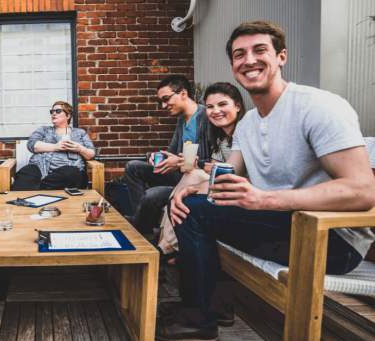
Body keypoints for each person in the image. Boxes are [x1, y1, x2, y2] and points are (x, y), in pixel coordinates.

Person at [159, 21, 375, 341]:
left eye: (260, 50)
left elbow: (362, 190)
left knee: (197, 212)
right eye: (239, 54)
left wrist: (265, 199)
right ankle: (209, 305)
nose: (248, 60)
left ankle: (199, 318)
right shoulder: (248, 123)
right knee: (189, 203)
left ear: (281, 57)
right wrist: (192, 188)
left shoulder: (317, 106)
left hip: (329, 239)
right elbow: (226, 177)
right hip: (280, 224)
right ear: (232, 66)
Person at [158, 82, 246, 257]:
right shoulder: (220, 138)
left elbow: (225, 170)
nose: (215, 111)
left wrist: (197, 164)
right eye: (210, 107)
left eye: (222, 105)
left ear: (237, 106)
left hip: (243, 190)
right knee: (186, 181)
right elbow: (212, 165)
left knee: (188, 184)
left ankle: (165, 245)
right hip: (218, 184)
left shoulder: (245, 130)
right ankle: (166, 245)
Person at [124, 75, 210, 237]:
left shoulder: (206, 117)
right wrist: (156, 155)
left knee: (152, 195)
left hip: (195, 179)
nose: (163, 105)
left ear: (183, 93)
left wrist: (179, 162)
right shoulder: (182, 120)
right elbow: (171, 151)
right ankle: (141, 222)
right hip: (179, 173)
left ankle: (140, 228)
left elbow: (209, 160)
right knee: (133, 167)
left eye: (166, 99)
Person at [11, 101, 96, 190]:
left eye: (58, 111)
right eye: (52, 111)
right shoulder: (44, 130)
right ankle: (40, 189)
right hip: (40, 167)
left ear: (68, 115)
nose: (54, 114)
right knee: (26, 173)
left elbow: (91, 154)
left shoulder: (80, 133)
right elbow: (32, 145)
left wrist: (79, 149)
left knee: (72, 173)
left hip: (67, 170)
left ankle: (37, 189)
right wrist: (55, 146)